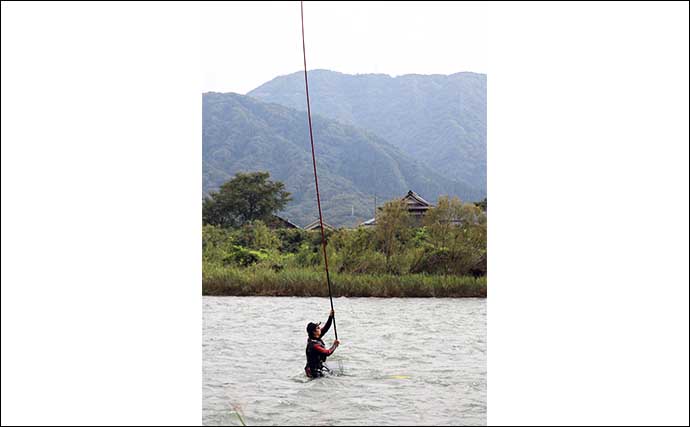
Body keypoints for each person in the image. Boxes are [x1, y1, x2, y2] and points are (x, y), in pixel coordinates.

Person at [304, 309, 340, 378]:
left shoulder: (315, 337)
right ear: (314, 332)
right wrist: (335, 345)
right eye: (318, 328)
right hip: (312, 372)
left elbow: (326, 328)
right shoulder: (314, 345)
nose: (320, 329)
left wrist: (330, 317)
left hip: (318, 368)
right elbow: (327, 352)